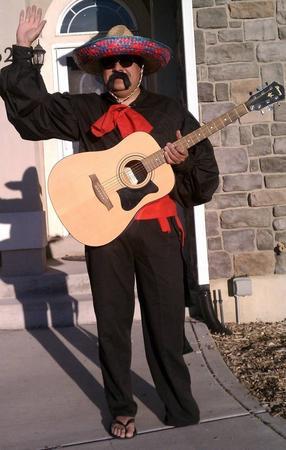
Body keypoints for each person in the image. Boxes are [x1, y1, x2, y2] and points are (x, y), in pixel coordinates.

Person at [0, 5, 219, 439]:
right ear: (102, 70)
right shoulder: (86, 110)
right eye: (109, 63)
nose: (117, 69)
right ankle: (121, 408)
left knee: (165, 321)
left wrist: (185, 160)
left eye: (126, 62)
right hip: (105, 233)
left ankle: (178, 403)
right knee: (113, 326)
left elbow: (202, 184)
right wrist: (24, 50)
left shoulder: (172, 113)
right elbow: (33, 113)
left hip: (157, 233)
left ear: (142, 67)